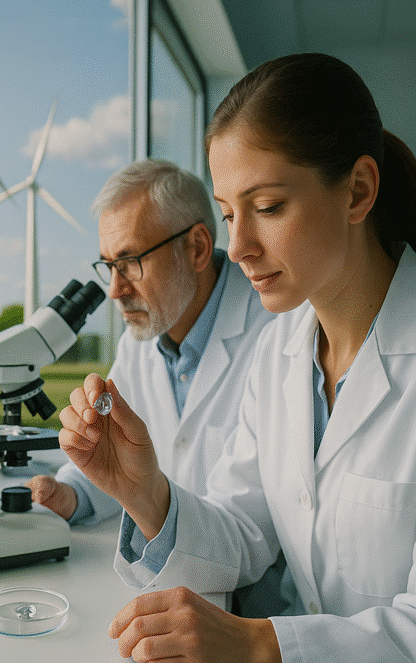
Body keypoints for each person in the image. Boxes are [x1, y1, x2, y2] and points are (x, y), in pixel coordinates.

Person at [59, 52, 416, 662]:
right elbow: (247, 530)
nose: (240, 247)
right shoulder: (279, 352)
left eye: (269, 207)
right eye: (228, 215)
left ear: (358, 191)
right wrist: (145, 494)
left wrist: (259, 645)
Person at [23, 158, 286, 617]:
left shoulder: (277, 331)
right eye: (108, 266)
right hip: (177, 582)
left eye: (129, 262)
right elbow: (124, 465)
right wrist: (74, 493)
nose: (114, 290)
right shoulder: (140, 343)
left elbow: (250, 524)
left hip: (260, 607)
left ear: (198, 248)